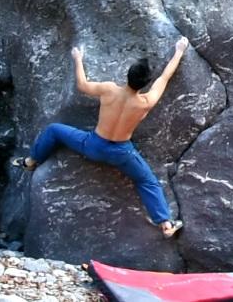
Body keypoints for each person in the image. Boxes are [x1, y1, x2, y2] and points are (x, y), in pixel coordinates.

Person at [12, 36, 189, 238]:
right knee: (147, 182)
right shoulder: (145, 102)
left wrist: (78, 58)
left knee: (54, 130)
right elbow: (164, 78)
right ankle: (165, 224)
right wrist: (179, 51)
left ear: (127, 75)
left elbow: (82, 85)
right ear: (145, 84)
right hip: (122, 153)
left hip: (93, 146)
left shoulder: (109, 90)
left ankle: (31, 161)